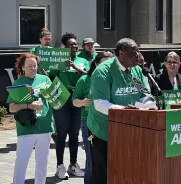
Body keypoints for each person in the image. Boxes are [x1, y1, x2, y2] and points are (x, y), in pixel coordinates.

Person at [88, 38, 153, 184]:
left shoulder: (136, 69)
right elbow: (99, 103)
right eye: (134, 51)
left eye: (138, 50)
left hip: (129, 130)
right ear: (121, 53)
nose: (138, 54)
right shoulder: (103, 71)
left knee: (126, 172)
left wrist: (147, 105)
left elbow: (144, 93)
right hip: (103, 131)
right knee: (104, 175)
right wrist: (124, 111)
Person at [9, 53, 54, 184]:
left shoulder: (45, 79)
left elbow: (57, 102)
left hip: (45, 126)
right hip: (26, 128)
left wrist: (51, 93)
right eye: (30, 66)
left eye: (35, 65)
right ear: (22, 67)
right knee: (21, 161)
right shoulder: (18, 83)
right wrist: (29, 105)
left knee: (42, 162)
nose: (33, 68)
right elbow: (12, 107)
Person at [49, 33, 88, 179]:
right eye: (71, 44)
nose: (75, 46)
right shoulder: (59, 61)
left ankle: (73, 165)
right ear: (65, 47)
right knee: (61, 134)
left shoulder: (82, 60)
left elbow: (87, 75)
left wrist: (74, 66)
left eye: (75, 44)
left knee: (74, 134)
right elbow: (50, 76)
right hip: (62, 99)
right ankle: (60, 166)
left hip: (77, 99)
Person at [72, 51, 114, 184]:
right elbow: (74, 101)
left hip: (110, 123)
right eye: (105, 62)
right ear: (96, 63)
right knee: (92, 159)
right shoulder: (85, 80)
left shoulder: (113, 79)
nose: (109, 66)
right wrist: (82, 102)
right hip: (89, 123)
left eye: (111, 62)